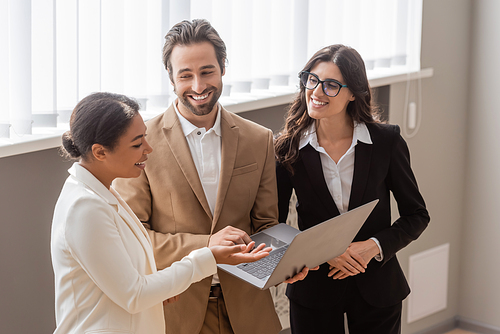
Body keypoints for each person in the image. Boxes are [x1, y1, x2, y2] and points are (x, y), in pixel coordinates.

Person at [113, 19, 310, 334]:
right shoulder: (140, 143)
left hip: (249, 311)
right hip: (176, 311)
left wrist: (283, 262)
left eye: (207, 72)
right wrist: (209, 246)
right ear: (171, 78)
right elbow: (133, 240)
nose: (198, 86)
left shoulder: (258, 139)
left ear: (222, 69)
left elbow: (265, 226)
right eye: (185, 75)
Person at [51, 92, 273, 334]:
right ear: (100, 152)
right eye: (137, 144)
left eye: (145, 137)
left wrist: (161, 289)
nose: (148, 148)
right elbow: (135, 295)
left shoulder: (104, 192)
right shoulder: (85, 208)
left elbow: (127, 274)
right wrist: (209, 257)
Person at [274, 44, 431, 334]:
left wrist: (372, 247)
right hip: (314, 290)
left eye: (331, 85)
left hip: (378, 287)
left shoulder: (387, 142)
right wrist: (321, 252)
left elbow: (416, 216)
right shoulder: (287, 149)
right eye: (312, 79)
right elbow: (274, 224)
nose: (317, 92)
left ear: (353, 93)